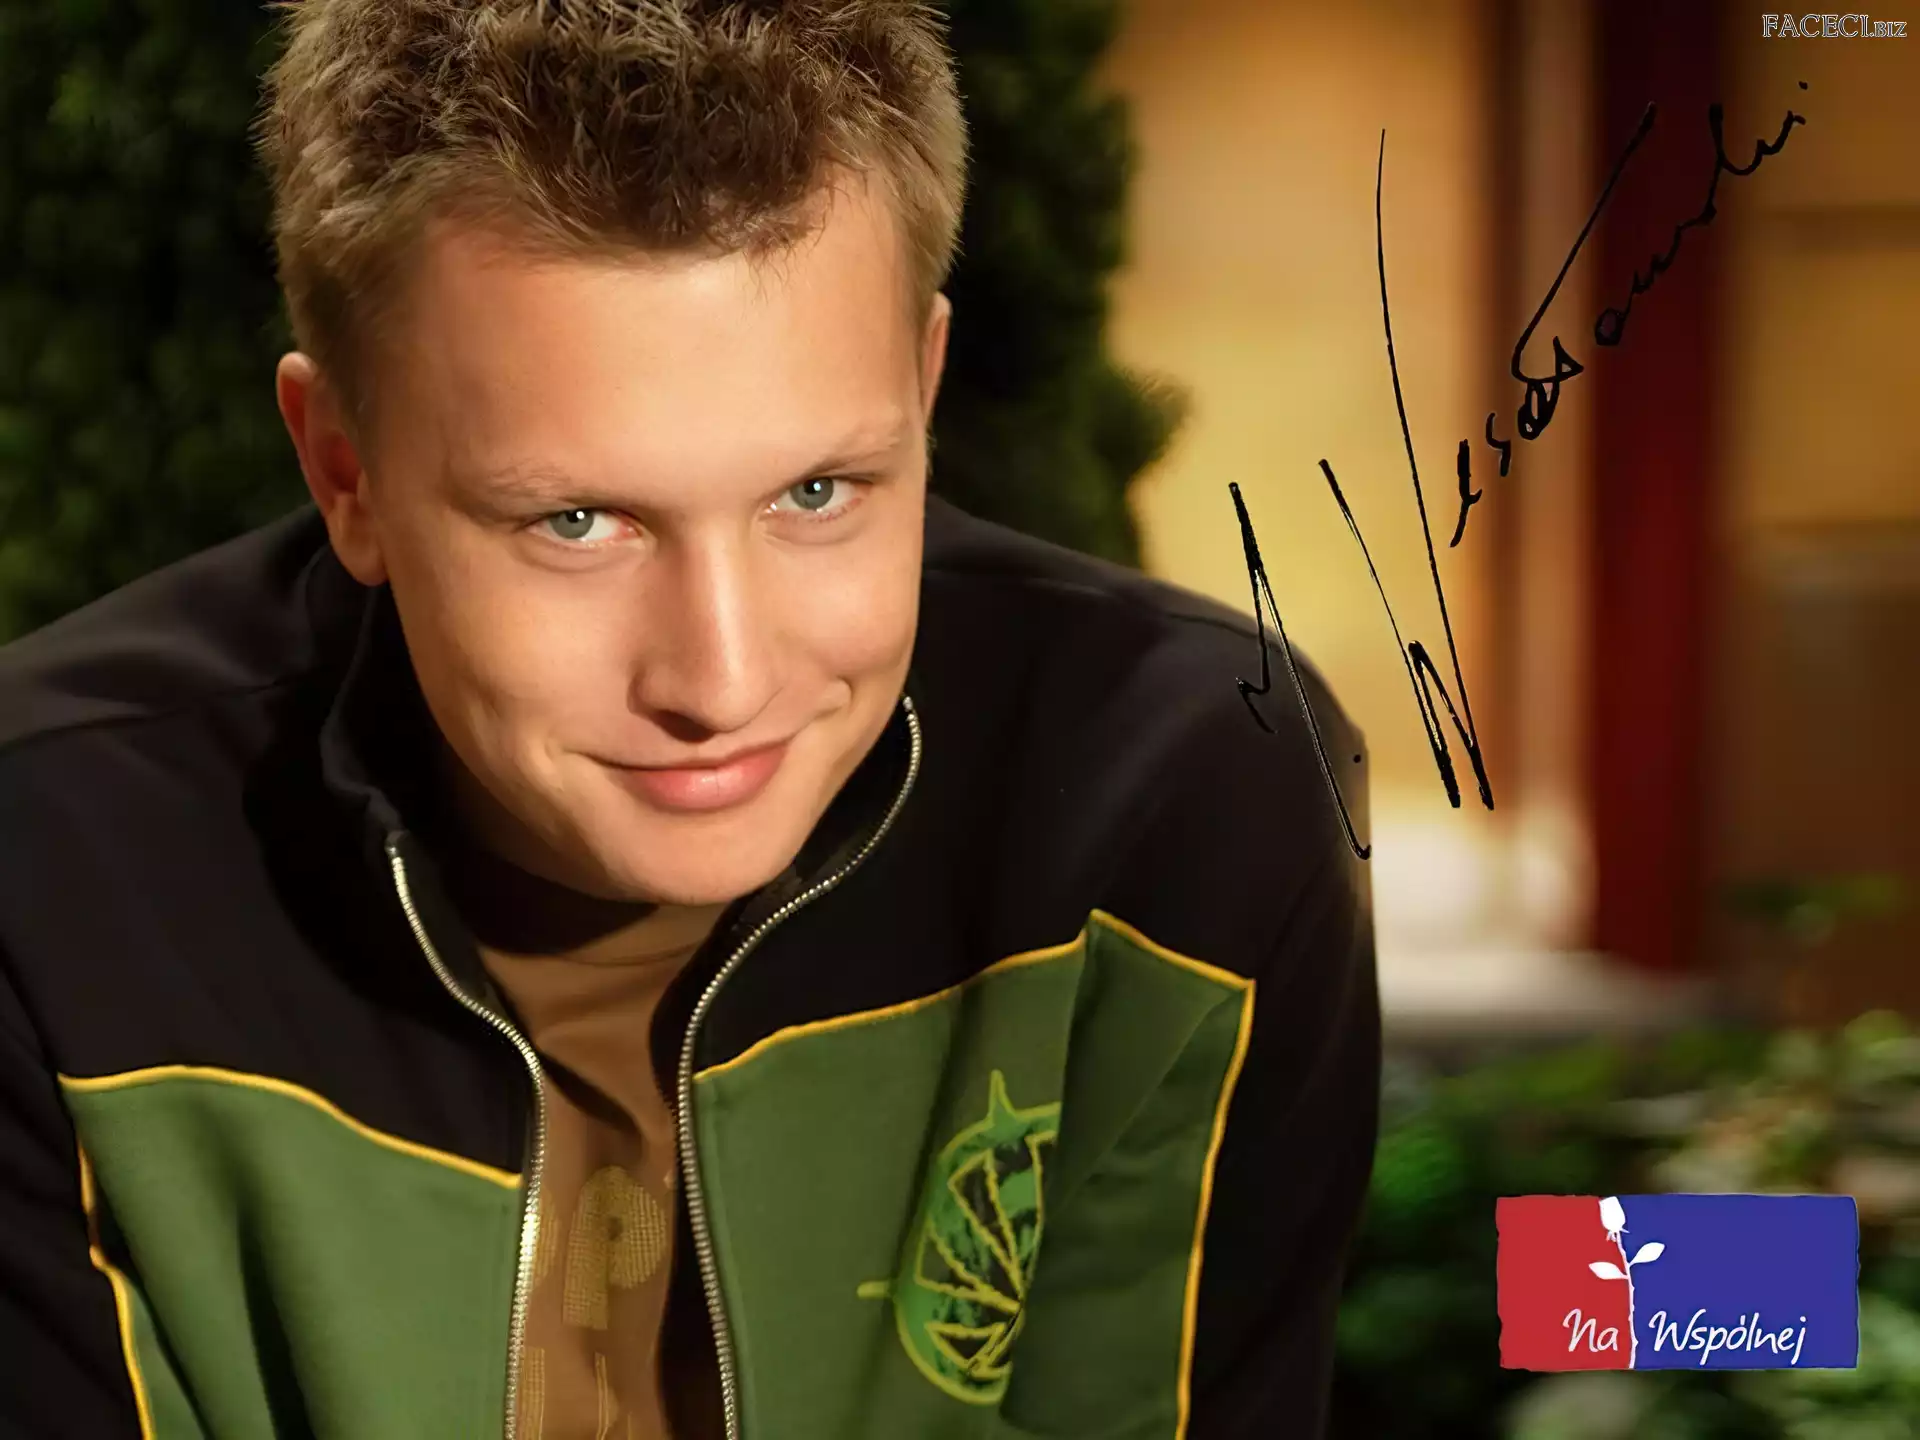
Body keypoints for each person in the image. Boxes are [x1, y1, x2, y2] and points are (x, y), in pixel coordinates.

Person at [0, 1, 1380, 1436]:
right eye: (577, 522)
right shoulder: (45, 881)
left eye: (816, 494)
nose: (719, 683)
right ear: (345, 470)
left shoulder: (1191, 806)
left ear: (923, 388)